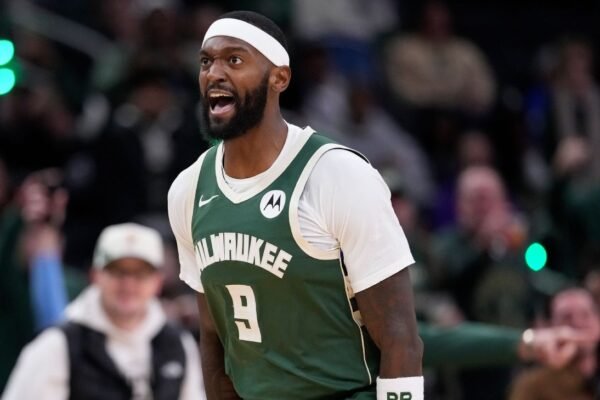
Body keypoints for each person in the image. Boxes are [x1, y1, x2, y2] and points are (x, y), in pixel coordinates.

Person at [168, 10, 423, 400]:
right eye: (206, 62)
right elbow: (214, 339)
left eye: (234, 60)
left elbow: (400, 338)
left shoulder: (337, 174)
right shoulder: (188, 190)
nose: (214, 73)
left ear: (279, 78)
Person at [2, 223, 206, 400]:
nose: (128, 284)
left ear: (158, 282)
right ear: (95, 275)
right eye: (117, 271)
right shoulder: (57, 345)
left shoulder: (178, 344)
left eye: (140, 274)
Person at [508, 287, 600, 400]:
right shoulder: (533, 386)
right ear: (550, 327)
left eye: (585, 315)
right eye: (567, 317)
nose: (578, 323)